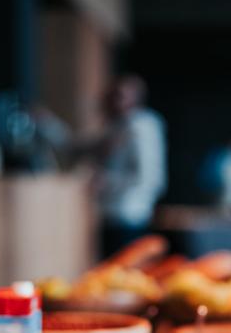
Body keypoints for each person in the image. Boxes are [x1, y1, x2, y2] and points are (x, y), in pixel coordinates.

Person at [71, 75, 167, 257]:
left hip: (129, 214)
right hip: (110, 212)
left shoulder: (141, 127)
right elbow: (81, 148)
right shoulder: (116, 126)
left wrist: (106, 182)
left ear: (136, 98)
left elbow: (147, 176)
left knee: (123, 272)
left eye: (121, 96)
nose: (114, 102)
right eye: (111, 96)